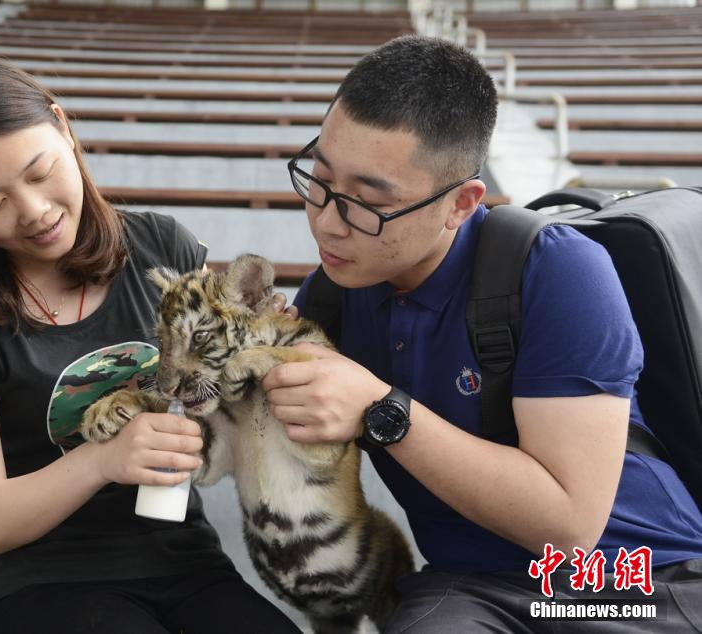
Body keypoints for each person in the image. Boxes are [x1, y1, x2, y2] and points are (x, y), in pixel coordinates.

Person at [0, 54, 302, 634]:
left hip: (185, 561)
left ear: (64, 126)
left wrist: (268, 347)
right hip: (46, 583)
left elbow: (225, 395)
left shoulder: (162, 246)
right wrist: (104, 459)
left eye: (40, 173)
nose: (34, 213)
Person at [264, 35, 702, 632]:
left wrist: (379, 407)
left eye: (366, 204)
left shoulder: (559, 271)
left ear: (461, 203)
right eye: (318, 181)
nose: (326, 223)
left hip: (637, 578)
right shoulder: (333, 296)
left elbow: (569, 529)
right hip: (471, 585)